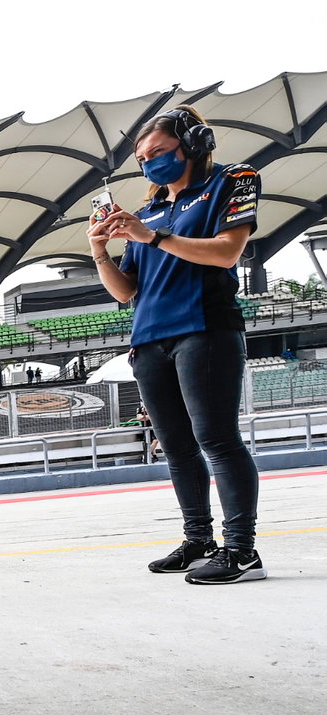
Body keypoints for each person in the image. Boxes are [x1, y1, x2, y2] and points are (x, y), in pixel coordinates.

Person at [90, 107, 264, 584]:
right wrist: (101, 251)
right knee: (176, 448)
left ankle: (242, 550)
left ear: (193, 143)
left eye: (159, 153)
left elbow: (228, 251)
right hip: (149, 339)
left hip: (204, 328)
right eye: (143, 159)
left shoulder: (233, 179)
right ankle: (199, 539)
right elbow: (127, 291)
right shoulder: (146, 212)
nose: (150, 166)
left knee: (218, 440)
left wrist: (154, 237)